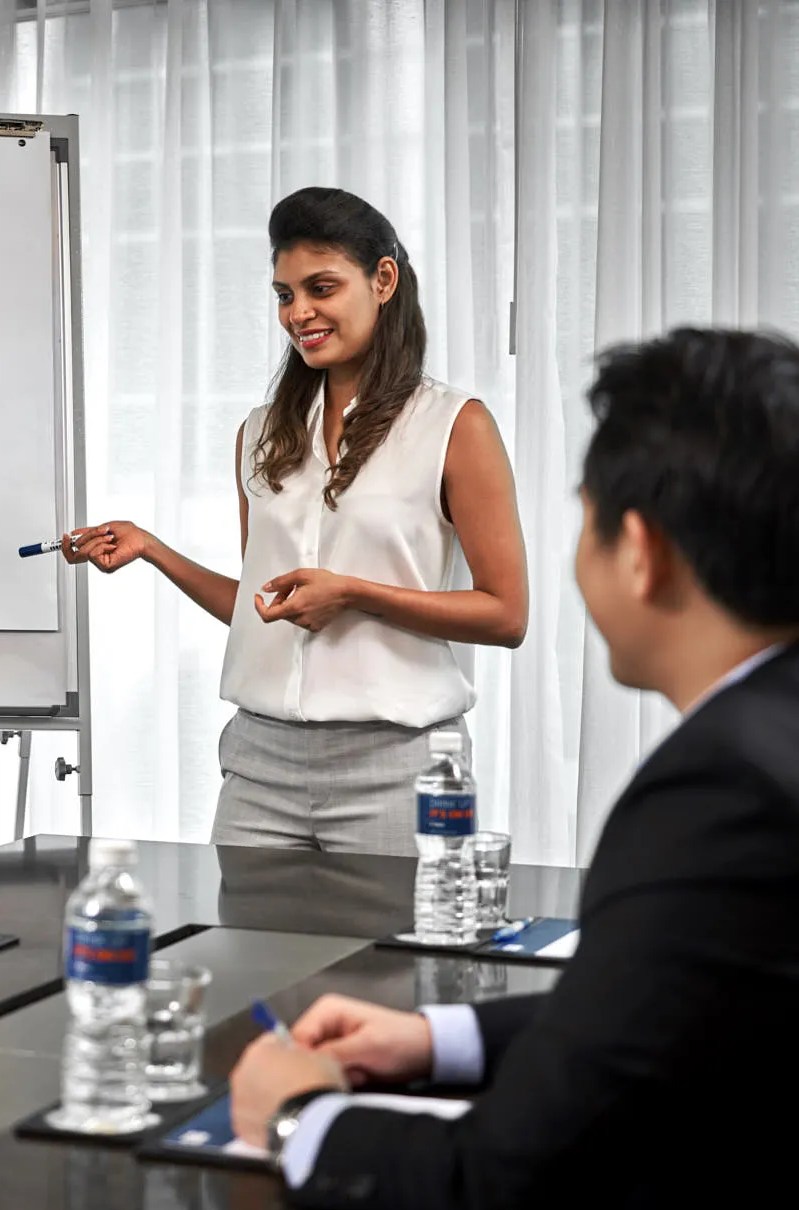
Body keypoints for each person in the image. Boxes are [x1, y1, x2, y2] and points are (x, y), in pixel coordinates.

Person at [226, 329, 799, 1210]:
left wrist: (299, 1118)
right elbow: (660, 1013)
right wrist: (437, 1037)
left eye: (587, 523)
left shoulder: (723, 793)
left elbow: (497, 1200)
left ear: (641, 553)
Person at [66, 187, 527, 857]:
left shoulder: (456, 427)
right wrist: (153, 549)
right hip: (260, 765)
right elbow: (265, 608)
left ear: (384, 279)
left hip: (397, 767)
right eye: (284, 295)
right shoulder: (259, 434)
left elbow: (506, 615)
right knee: (252, 962)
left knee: (389, 965)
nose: (299, 313)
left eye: (321, 287)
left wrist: (356, 594)